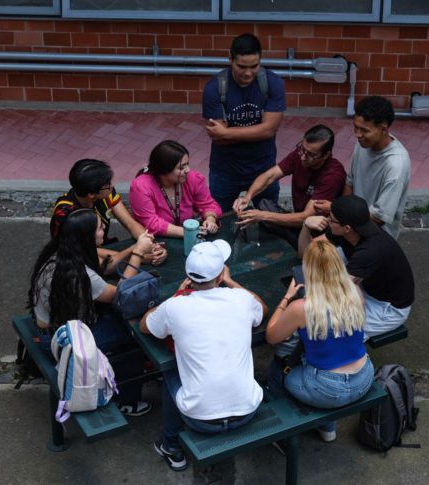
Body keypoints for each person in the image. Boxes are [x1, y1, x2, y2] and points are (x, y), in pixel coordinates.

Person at [140, 240, 267, 472]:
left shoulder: (175, 306)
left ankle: (170, 444)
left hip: (199, 419)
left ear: (188, 276)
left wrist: (177, 294)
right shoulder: (241, 299)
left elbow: (145, 325)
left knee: (170, 369)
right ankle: (170, 444)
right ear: (219, 276)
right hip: (247, 411)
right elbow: (262, 308)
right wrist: (230, 282)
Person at [29, 208, 158, 417]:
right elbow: (123, 295)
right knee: (134, 334)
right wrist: (137, 254)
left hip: (49, 326)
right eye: (99, 228)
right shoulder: (80, 275)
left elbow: (103, 268)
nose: (103, 230)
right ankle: (127, 399)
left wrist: (136, 246)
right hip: (63, 341)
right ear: (87, 236)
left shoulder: (60, 254)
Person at [265, 239, 374, 442]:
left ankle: (282, 433)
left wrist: (286, 298)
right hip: (364, 378)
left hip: (328, 390)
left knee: (279, 371)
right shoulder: (355, 293)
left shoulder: (302, 308)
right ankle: (327, 429)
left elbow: (271, 336)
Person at [300, 195, 414, 340]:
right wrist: (306, 226)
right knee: (323, 258)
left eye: (331, 219)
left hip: (388, 308)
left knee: (332, 333)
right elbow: (306, 254)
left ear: (347, 228)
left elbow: (333, 293)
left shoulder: (369, 251)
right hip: (367, 286)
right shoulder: (349, 230)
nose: (327, 221)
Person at [202, 33, 287, 212]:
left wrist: (226, 132)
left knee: (271, 219)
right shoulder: (215, 88)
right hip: (225, 171)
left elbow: (269, 130)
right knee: (219, 220)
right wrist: (258, 131)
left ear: (261, 60)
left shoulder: (273, 83)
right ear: (230, 59)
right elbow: (217, 138)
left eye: (254, 66)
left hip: (264, 169)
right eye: (241, 66)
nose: (248, 73)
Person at [232, 124, 347, 250]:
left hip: (314, 228)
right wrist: (248, 196)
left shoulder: (333, 175)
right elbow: (270, 176)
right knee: (264, 204)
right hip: (296, 219)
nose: (303, 156)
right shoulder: (300, 155)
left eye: (310, 155)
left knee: (265, 218)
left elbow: (305, 217)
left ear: (326, 155)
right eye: (302, 149)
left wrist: (262, 216)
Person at [51, 158, 167, 269]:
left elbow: (130, 223)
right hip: (77, 259)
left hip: (104, 247)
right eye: (107, 185)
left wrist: (153, 246)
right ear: (91, 194)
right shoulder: (66, 213)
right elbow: (86, 251)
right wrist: (138, 255)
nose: (111, 186)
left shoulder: (105, 194)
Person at [337, 96, 411, 239]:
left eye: (364, 130)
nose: (358, 135)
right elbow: (350, 183)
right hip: (351, 226)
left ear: (383, 129)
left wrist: (341, 214)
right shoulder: (362, 144)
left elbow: (379, 217)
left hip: (377, 235)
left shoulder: (396, 164)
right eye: (355, 127)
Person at [129, 140, 222, 237]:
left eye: (187, 164)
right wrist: (189, 232)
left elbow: (208, 204)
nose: (188, 170)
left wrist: (210, 219)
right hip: (154, 242)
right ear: (164, 170)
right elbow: (151, 224)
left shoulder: (193, 179)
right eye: (182, 167)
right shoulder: (141, 187)